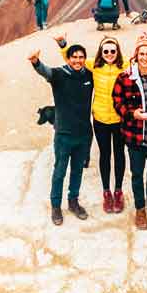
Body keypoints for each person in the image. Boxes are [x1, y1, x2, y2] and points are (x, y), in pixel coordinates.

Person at [57, 33, 128, 213]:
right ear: (101, 52)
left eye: (113, 51)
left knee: (119, 154)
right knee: (105, 154)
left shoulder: (125, 65)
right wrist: (63, 44)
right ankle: (107, 192)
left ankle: (118, 191)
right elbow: (73, 60)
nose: (109, 54)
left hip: (120, 118)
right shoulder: (94, 65)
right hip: (100, 118)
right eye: (106, 51)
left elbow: (144, 60)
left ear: (118, 51)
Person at [29, 42, 93, 226]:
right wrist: (36, 62)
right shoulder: (59, 74)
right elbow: (45, 72)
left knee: (77, 170)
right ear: (68, 58)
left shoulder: (89, 75)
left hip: (83, 133)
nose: (78, 60)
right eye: (74, 57)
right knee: (59, 172)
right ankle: (56, 206)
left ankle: (73, 202)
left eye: (81, 57)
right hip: (64, 134)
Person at [112, 33, 147, 230]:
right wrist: (131, 114)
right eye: (141, 53)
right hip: (134, 136)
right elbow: (117, 102)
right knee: (137, 173)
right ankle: (140, 208)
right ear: (136, 55)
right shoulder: (124, 77)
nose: (144, 57)